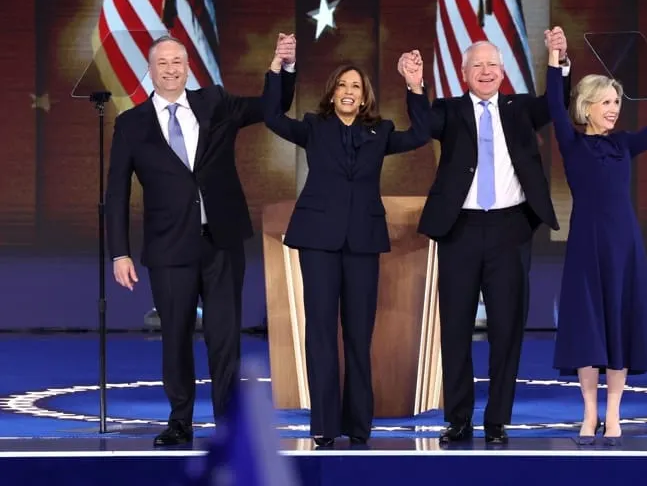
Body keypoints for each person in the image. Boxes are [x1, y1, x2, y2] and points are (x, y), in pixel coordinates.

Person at [105, 33, 298, 447]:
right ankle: (180, 421)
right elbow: (116, 193)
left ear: (187, 66)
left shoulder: (215, 103)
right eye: (163, 63)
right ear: (151, 69)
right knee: (175, 336)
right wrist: (119, 252)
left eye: (178, 61)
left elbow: (272, 107)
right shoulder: (131, 123)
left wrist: (281, 69)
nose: (172, 70)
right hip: (169, 247)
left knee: (224, 335)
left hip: (222, 240)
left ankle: (228, 423)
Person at [400, 30, 571, 444]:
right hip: (459, 228)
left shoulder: (519, 109)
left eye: (492, 64)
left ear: (503, 70)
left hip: (510, 227)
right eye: (477, 65)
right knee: (455, 327)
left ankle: (497, 420)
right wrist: (415, 86)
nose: (486, 71)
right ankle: (458, 419)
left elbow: (556, 104)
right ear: (463, 74)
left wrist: (556, 59)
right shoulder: (449, 111)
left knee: (507, 328)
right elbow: (422, 127)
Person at [546, 37, 647, 445]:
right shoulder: (572, 142)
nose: (614, 109)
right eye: (606, 102)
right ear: (586, 107)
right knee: (588, 330)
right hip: (586, 246)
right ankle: (588, 416)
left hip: (623, 248)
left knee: (618, 327)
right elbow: (553, 103)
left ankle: (614, 415)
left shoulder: (623, 143)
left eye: (616, 102)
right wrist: (554, 61)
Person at [263, 50, 429, 447]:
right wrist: (278, 68)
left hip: (362, 243)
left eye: (356, 86)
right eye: (343, 85)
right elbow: (271, 117)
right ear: (332, 92)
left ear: (365, 95)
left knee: (359, 334)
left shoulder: (381, 131)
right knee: (320, 332)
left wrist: (415, 85)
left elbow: (423, 133)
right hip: (318, 240)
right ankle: (323, 425)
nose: (349, 91)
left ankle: (358, 426)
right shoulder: (313, 127)